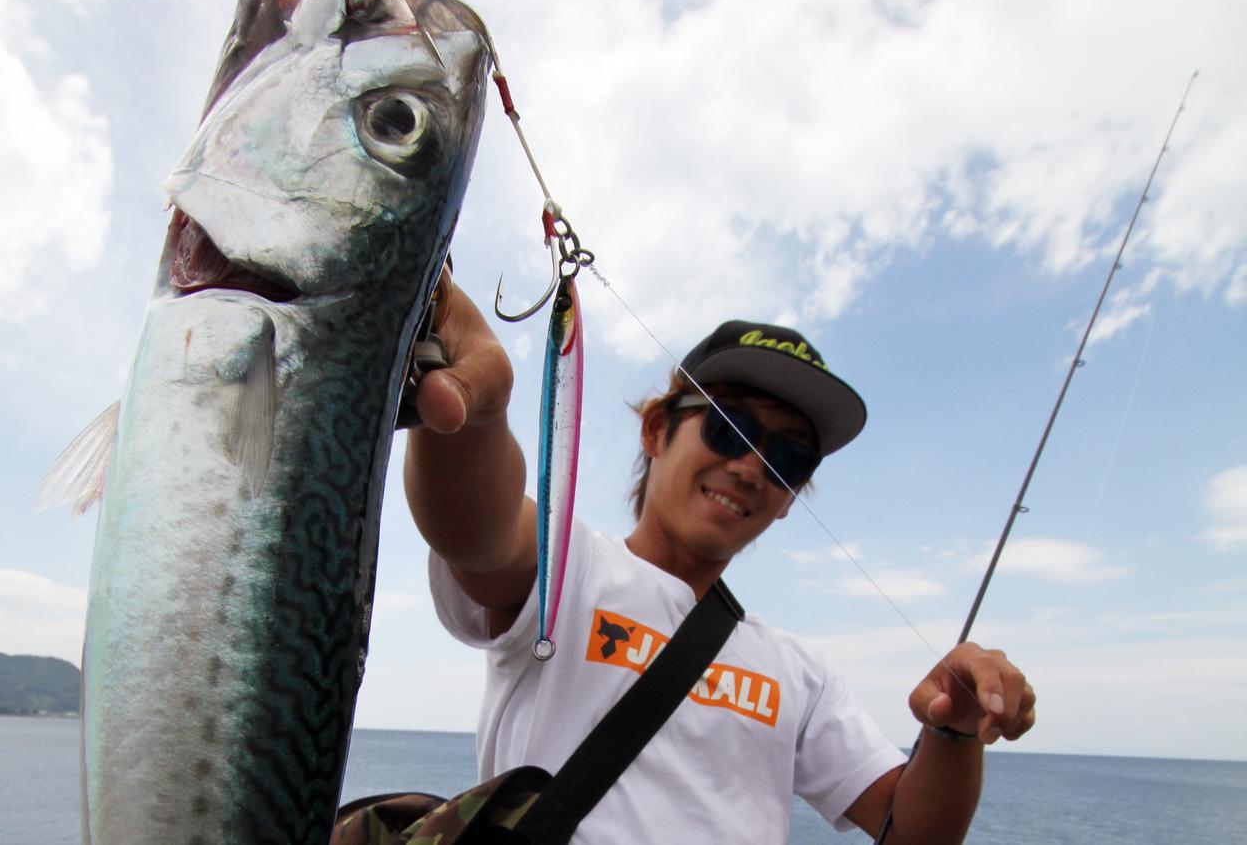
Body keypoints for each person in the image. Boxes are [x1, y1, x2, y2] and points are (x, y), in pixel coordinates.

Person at [403, 270, 1036, 844]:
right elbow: (476, 532)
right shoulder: (566, 568)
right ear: (656, 430)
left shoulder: (800, 673)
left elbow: (912, 834)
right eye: (729, 428)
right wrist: (473, 416)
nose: (752, 467)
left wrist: (954, 730)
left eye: (788, 461)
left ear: (791, 499)